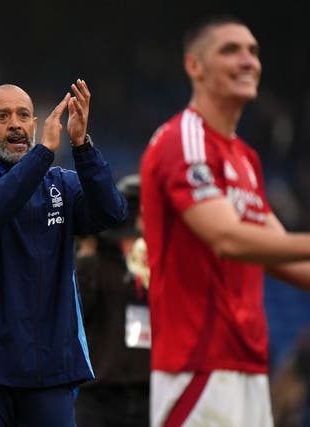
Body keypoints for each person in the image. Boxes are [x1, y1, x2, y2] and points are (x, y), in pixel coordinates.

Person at [140, 15, 310, 427]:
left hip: (248, 367)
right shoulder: (184, 139)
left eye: (252, 50)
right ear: (194, 66)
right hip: (198, 366)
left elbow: (280, 253)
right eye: (230, 50)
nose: (248, 60)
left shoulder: (246, 159)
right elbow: (227, 238)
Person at [0, 80, 128, 426]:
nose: (15, 123)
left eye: (23, 115)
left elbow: (111, 213)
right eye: (3, 116)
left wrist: (81, 146)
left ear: (33, 124)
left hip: (50, 369)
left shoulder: (60, 183)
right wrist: (43, 153)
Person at [74, 173, 150, 427]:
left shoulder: (158, 261)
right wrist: (86, 254)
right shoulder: (96, 256)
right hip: (97, 396)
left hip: (147, 394)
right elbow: (77, 311)